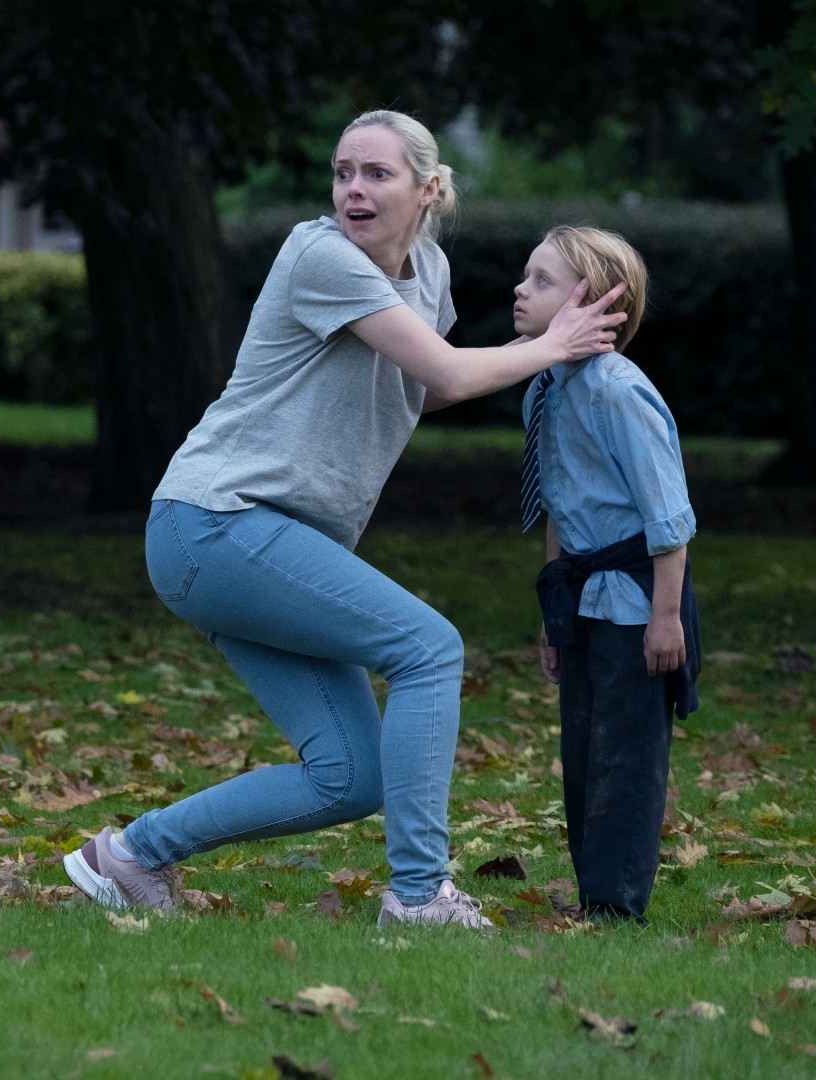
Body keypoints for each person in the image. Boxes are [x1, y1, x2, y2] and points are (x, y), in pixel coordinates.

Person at [61, 110, 628, 929]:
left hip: (262, 542)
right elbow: (444, 371)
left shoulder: (426, 269)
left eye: (376, 174)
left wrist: (547, 374)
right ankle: (420, 892)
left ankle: (128, 856)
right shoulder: (319, 254)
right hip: (216, 523)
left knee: (350, 776)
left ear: (429, 190)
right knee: (429, 646)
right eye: (342, 172)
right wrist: (555, 345)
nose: (353, 190)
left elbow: (425, 386)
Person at [515, 225, 701, 924]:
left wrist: (665, 615)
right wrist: (553, 614)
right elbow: (557, 507)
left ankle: (618, 904)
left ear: (591, 301)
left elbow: (669, 516)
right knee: (583, 747)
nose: (519, 290)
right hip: (581, 598)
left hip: (637, 601)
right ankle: (594, 889)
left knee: (626, 754)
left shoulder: (618, 393)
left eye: (541, 280)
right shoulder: (544, 389)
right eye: (524, 275)